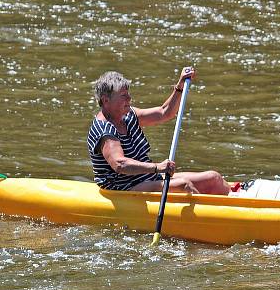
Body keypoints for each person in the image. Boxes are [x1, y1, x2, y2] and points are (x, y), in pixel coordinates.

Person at [87, 67, 230, 195]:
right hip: (124, 188)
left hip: (147, 178)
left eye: (128, 93)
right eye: (124, 95)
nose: (129, 98)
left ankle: (240, 202)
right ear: (106, 101)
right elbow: (120, 164)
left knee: (213, 178)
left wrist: (179, 87)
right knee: (184, 186)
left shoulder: (129, 115)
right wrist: (157, 167)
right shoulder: (104, 130)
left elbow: (164, 112)